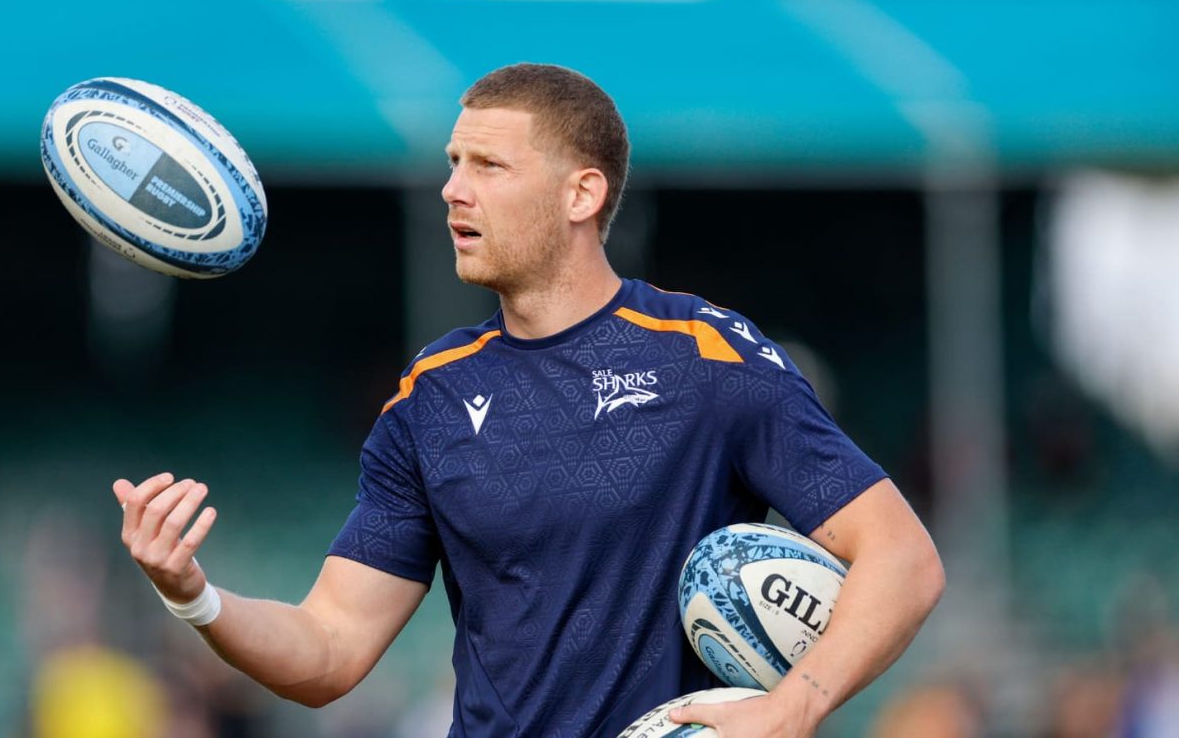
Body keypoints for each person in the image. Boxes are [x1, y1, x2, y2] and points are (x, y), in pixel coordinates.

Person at [113, 63, 945, 737]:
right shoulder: (429, 397)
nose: (452, 189)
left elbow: (902, 559)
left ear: (580, 196)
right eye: (452, 162)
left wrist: (795, 706)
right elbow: (329, 650)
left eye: (488, 166)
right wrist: (193, 594)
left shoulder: (709, 358)